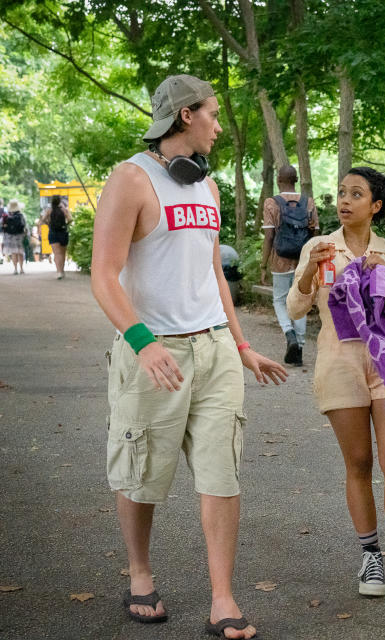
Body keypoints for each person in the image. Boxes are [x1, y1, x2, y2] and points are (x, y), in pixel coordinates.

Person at [90, 74, 287, 640]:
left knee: (222, 471)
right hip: (153, 350)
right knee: (143, 471)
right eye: (213, 114)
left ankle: (222, 599)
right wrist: (142, 341)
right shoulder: (132, 179)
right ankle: (141, 571)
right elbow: (104, 278)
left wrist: (242, 344)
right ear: (185, 116)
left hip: (215, 350)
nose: (219, 125)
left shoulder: (209, 188)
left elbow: (211, 274)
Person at [287, 166, 385, 598]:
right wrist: (309, 274)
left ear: (376, 206)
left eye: (356, 194)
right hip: (340, 365)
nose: (345, 200)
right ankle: (371, 556)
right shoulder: (319, 247)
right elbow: (296, 309)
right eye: (341, 193)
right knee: (358, 464)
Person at [259, 165, 318, 366]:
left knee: (280, 300)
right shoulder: (308, 202)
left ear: (278, 179)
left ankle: (289, 333)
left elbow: (269, 237)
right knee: (300, 302)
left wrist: (263, 264)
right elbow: (315, 235)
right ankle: (299, 349)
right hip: (304, 262)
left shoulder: (271, 203)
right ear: (296, 180)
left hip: (280, 261)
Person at [41, 195, 72, 279]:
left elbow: (43, 220)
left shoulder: (49, 210)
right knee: (62, 253)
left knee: (56, 253)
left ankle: (58, 272)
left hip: (53, 232)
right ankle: (62, 270)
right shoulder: (64, 210)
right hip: (63, 232)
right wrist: (65, 225)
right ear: (59, 201)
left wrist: (49, 224)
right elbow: (70, 219)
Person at [2, 199, 27, 275]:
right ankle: (21, 269)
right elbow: (25, 226)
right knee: (20, 252)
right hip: (20, 236)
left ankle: (15, 269)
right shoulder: (21, 215)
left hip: (10, 237)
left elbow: (3, 227)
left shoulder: (7, 216)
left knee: (13, 253)